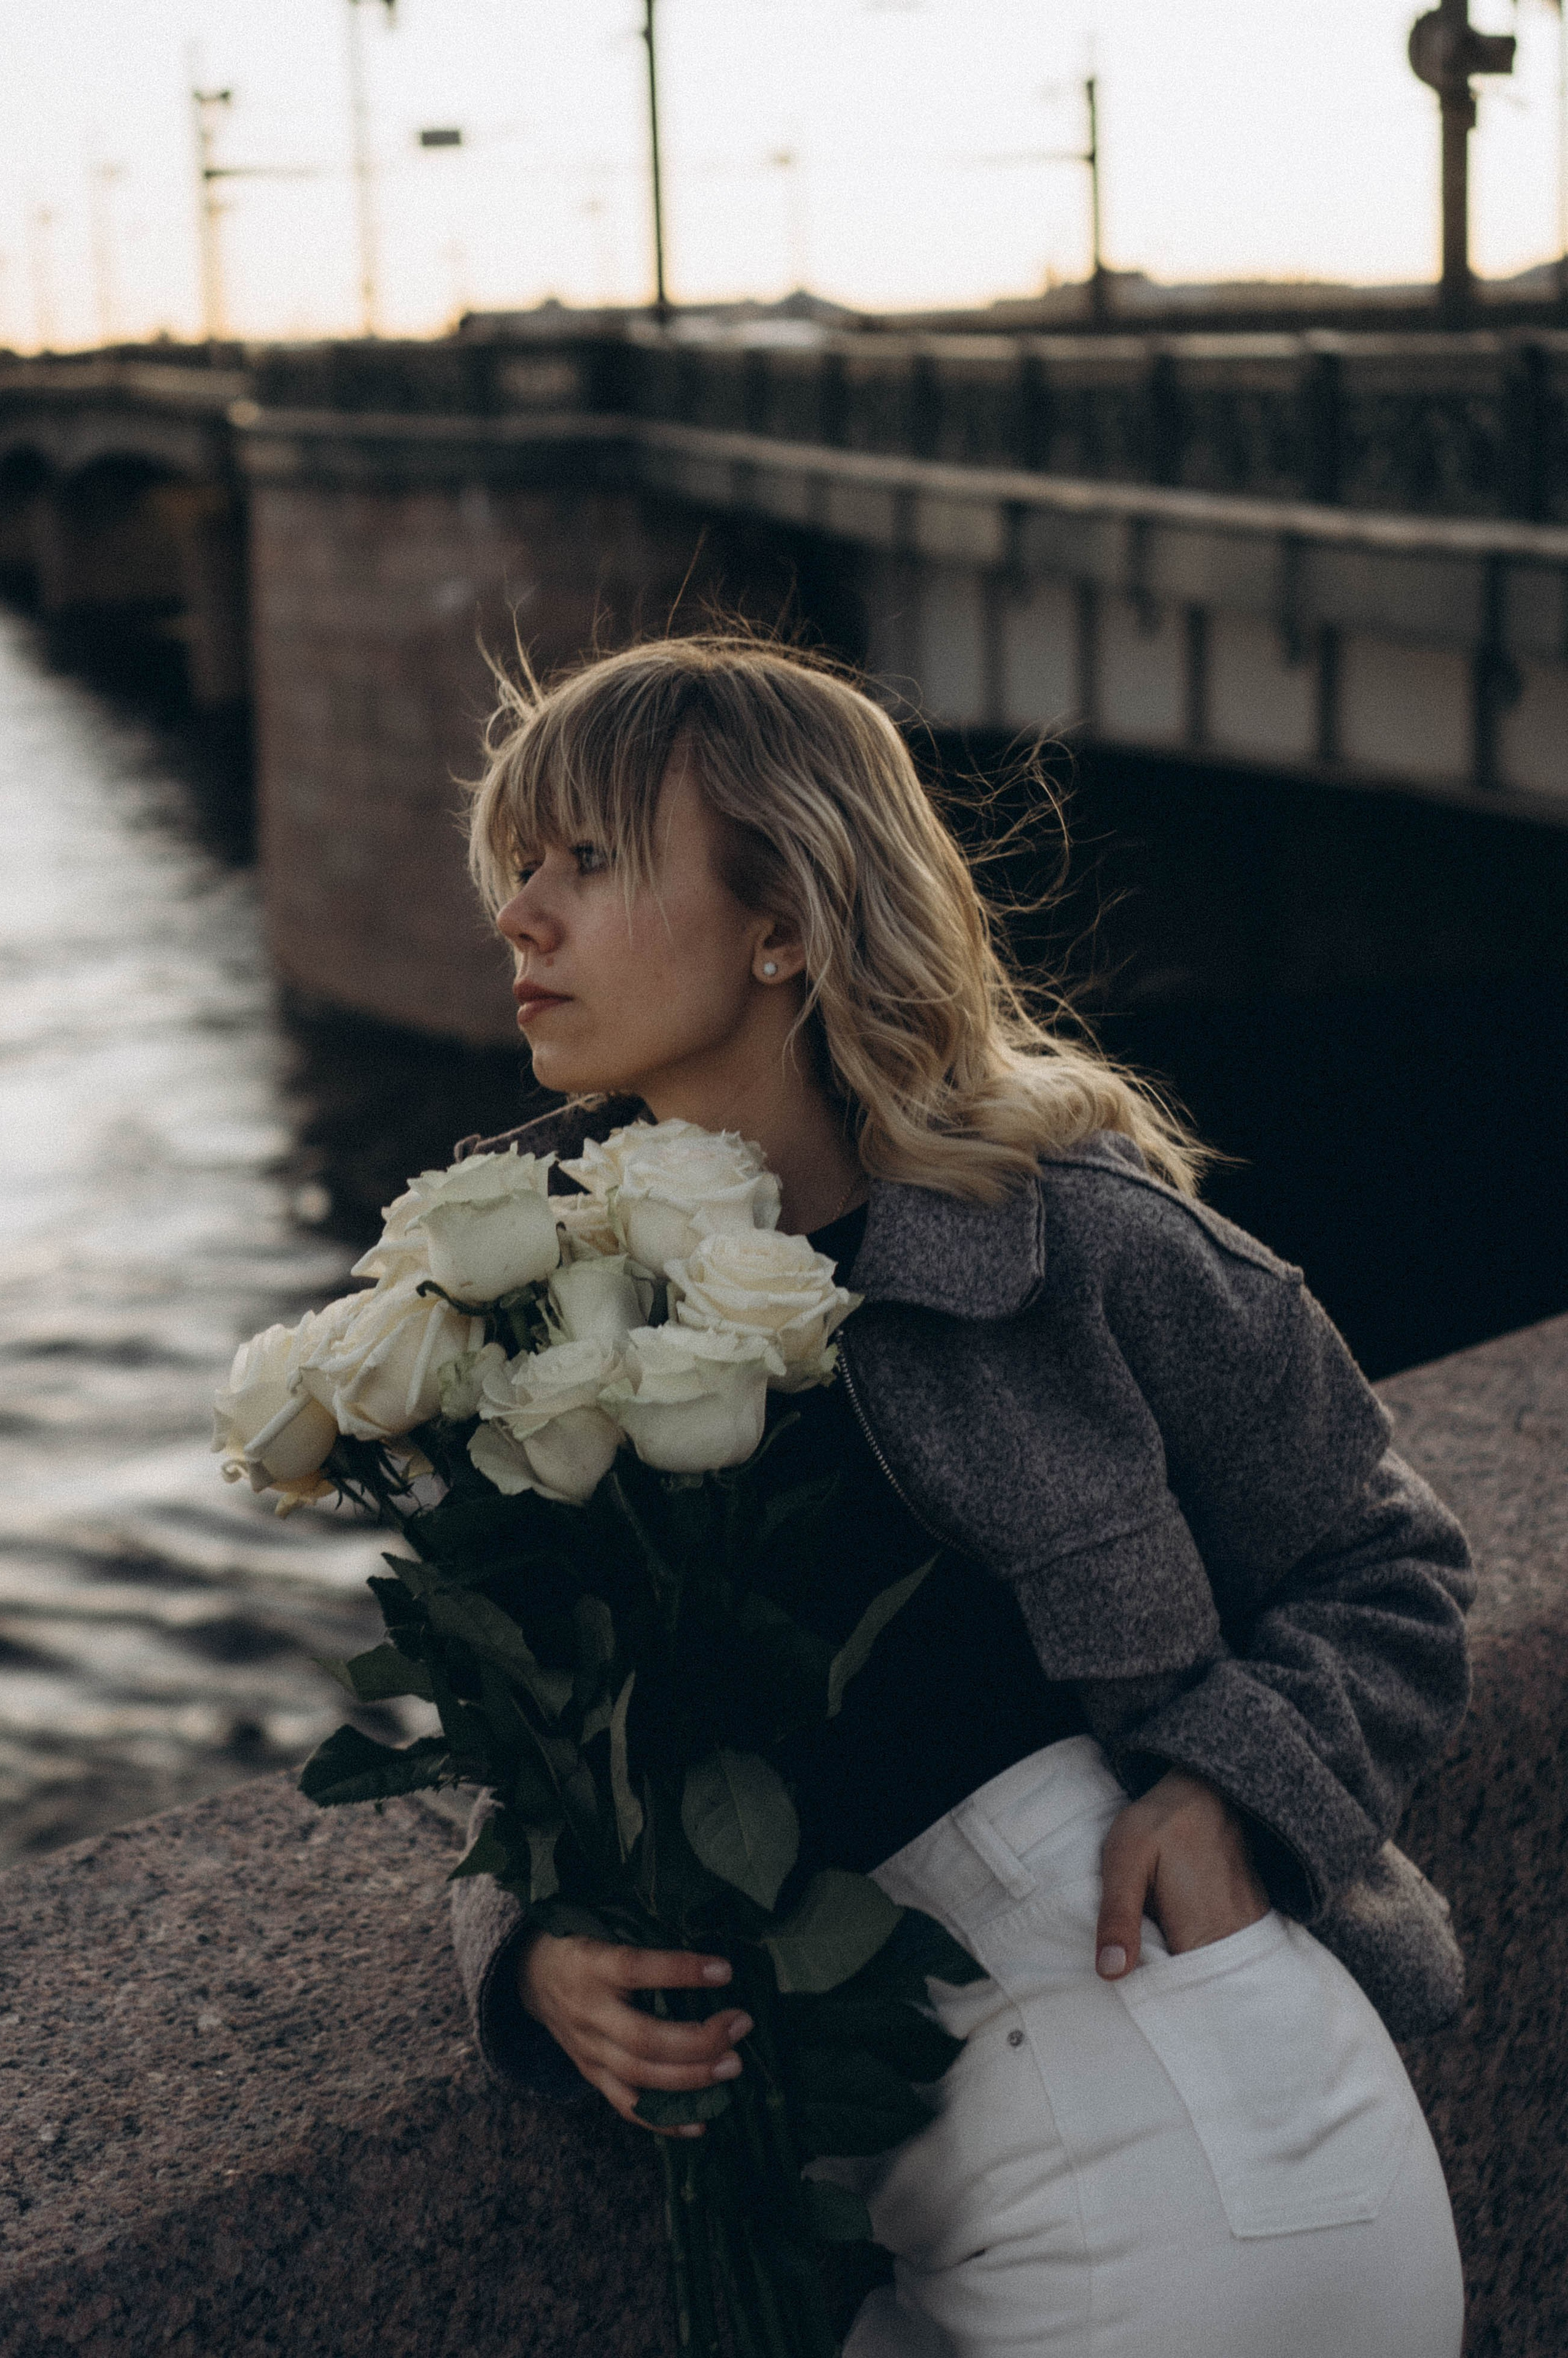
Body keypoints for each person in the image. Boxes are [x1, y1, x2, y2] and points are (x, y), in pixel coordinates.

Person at [448, 633, 1472, 2358]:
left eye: (592, 861)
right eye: (520, 865)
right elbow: (516, 1718)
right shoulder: (528, 1301)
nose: (523, 915)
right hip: (882, 2208)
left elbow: (1395, 1568)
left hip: (1205, 2167)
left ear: (785, 919)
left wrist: (1235, 1786)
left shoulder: (1077, 1240)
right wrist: (526, 1948)